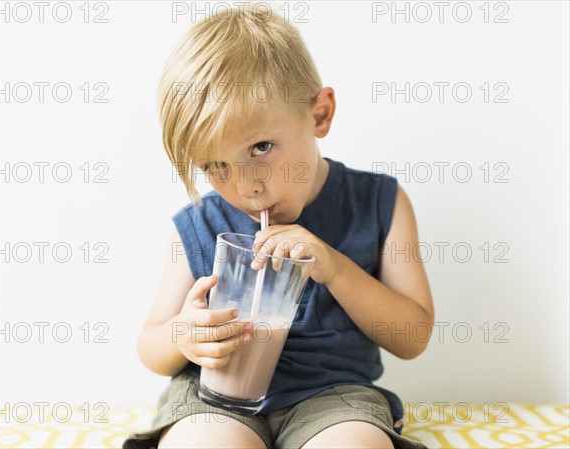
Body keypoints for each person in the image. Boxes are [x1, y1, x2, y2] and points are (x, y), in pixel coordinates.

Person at [123, 5, 433, 449]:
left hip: (333, 398)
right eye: (215, 165)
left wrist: (336, 268)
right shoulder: (201, 222)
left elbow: (413, 337)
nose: (246, 185)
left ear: (320, 114)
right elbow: (150, 346)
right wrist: (184, 334)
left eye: (261, 147)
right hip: (214, 398)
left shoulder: (378, 204)